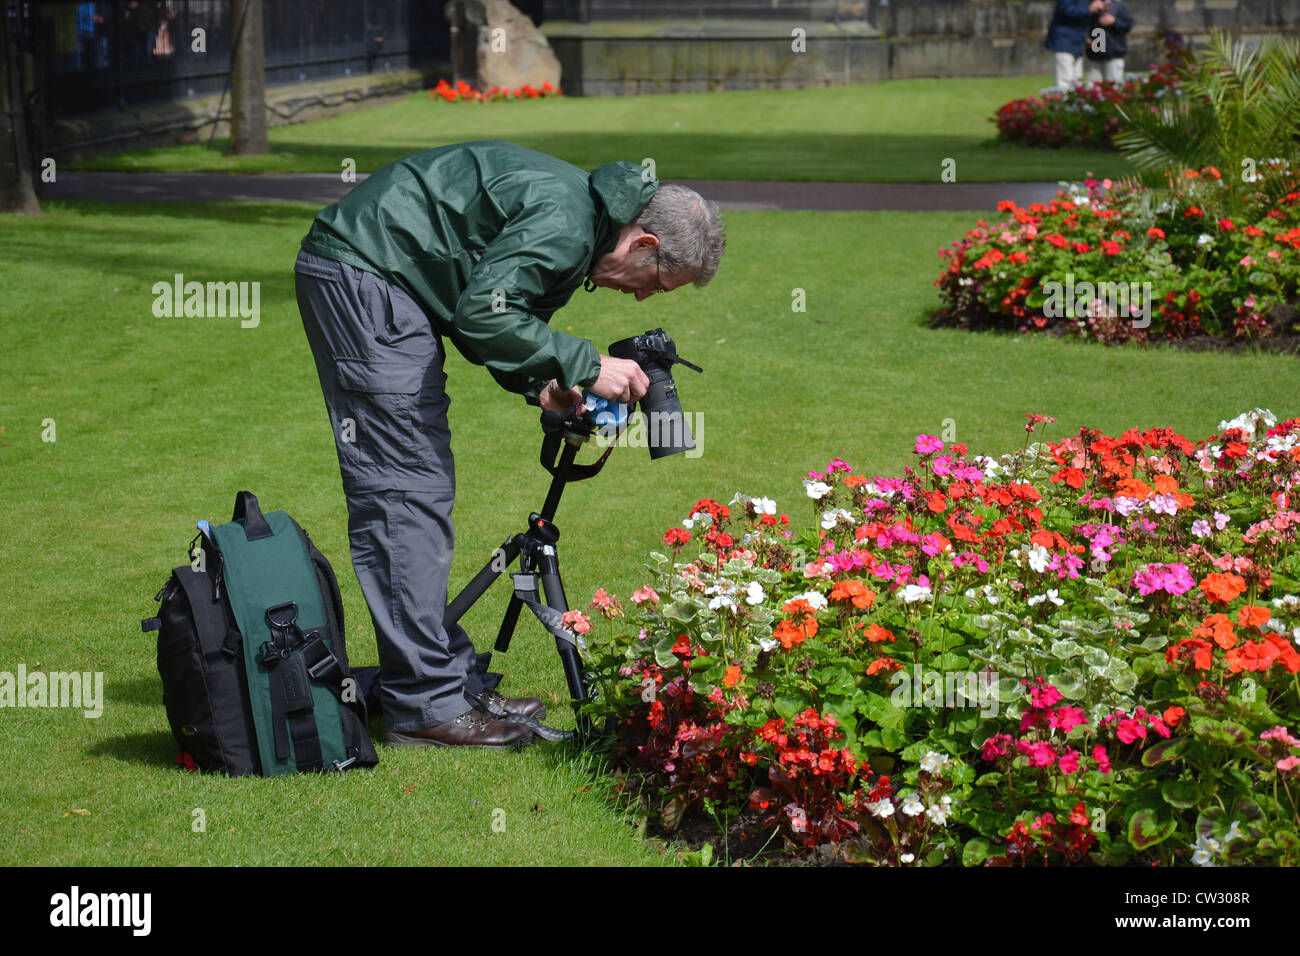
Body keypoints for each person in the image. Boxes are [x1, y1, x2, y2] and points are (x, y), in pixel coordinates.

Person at [294, 140, 725, 749]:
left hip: (386, 278)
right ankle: (423, 704)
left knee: (418, 490)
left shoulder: (585, 221)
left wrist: (546, 384)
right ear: (644, 244)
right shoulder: (568, 219)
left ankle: (447, 681)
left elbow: (505, 316)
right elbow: (482, 315)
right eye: (657, 283)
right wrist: (587, 361)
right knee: (405, 490)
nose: (642, 298)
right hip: (368, 276)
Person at [1044, 0, 1110, 90]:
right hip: (1064, 42)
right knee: (1064, 83)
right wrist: (1089, 8)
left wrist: (1101, 8)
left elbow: (1085, 19)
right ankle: (1064, 103)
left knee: (1077, 84)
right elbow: (1067, 10)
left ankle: (1074, 103)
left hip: (1078, 44)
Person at [1085, 0, 1133, 85]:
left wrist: (1114, 21)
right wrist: (1086, 37)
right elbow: (1081, 23)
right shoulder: (1090, 4)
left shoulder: (1119, 5)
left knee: (1113, 88)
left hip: (1114, 53)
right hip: (1094, 54)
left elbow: (1128, 25)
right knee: (1093, 89)